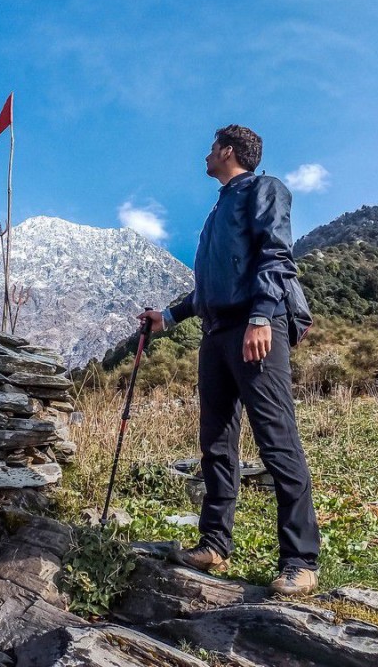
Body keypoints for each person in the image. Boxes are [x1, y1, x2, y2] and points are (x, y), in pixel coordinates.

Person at [139, 124, 321, 596]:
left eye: (210, 148)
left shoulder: (265, 189)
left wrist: (262, 316)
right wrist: (170, 316)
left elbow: (276, 255)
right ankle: (215, 543)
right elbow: (209, 285)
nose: (205, 155)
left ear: (226, 151)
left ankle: (300, 560)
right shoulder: (218, 208)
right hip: (217, 333)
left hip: (256, 327)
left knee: (276, 439)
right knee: (216, 441)